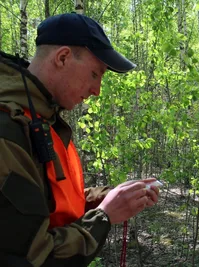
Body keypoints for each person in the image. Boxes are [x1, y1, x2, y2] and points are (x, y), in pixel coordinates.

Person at [0, 13, 159, 266]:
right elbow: (33, 257)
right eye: (95, 74)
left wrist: (110, 196)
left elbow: (49, 204)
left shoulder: (43, 121)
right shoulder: (8, 131)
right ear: (62, 57)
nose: (97, 91)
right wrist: (104, 215)